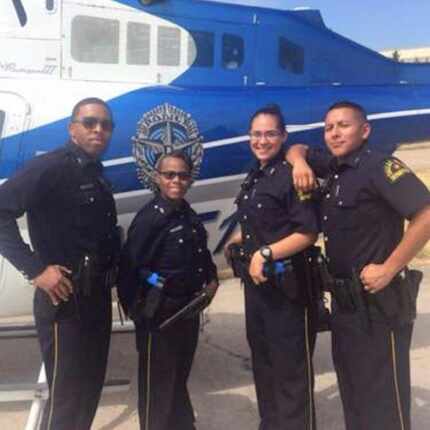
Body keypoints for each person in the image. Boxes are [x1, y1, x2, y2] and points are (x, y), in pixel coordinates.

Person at [287, 100, 430, 430]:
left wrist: (390, 267)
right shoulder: (335, 168)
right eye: (329, 127)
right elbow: (296, 147)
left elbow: (425, 214)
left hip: (379, 304)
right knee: (353, 393)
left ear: (365, 130)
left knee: (382, 401)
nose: (334, 132)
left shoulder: (380, 167)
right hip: (345, 305)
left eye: (343, 125)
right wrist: (298, 162)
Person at [0, 97, 119, 430]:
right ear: (72, 128)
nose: (98, 130)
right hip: (64, 300)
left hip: (96, 297)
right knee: (67, 398)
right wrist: (36, 270)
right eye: (90, 122)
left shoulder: (95, 173)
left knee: (89, 390)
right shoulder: (51, 167)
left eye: (106, 125)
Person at [224, 105, 319, 430]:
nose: (262, 140)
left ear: (283, 136)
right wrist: (236, 240)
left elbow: (307, 232)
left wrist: (264, 253)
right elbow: (258, 220)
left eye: (269, 134)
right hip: (259, 291)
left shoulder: (293, 175)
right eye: (256, 134)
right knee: (264, 368)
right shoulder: (256, 176)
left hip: (289, 292)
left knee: (290, 376)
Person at [118, 150, 218, 430]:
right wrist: (141, 314)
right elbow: (128, 270)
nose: (176, 180)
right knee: (157, 392)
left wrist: (212, 279)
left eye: (183, 175)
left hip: (188, 312)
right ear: (157, 178)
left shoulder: (187, 214)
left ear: (190, 179)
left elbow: (201, 254)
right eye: (169, 174)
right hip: (159, 319)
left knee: (178, 381)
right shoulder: (150, 219)